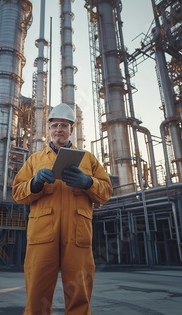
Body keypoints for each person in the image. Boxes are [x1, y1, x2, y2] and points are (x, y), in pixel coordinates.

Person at [12, 103, 113, 315]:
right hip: (42, 236)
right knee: (37, 294)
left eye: (64, 125)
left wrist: (87, 182)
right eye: (55, 125)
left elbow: (106, 192)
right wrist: (34, 184)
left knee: (80, 294)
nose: (59, 129)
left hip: (77, 236)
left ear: (71, 130)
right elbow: (18, 193)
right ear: (48, 129)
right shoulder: (35, 160)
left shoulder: (88, 159)